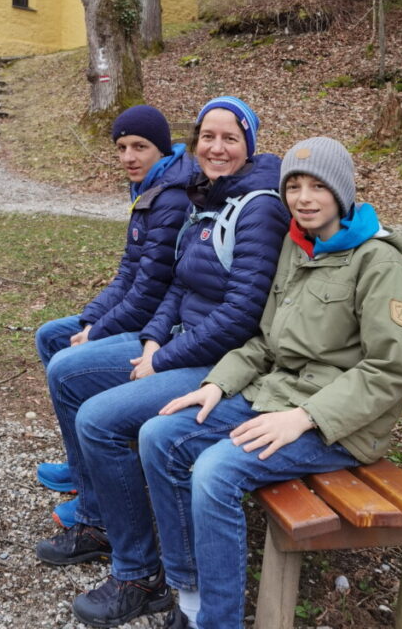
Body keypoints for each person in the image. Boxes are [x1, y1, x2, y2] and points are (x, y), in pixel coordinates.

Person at [70, 136, 402, 629]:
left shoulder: (379, 264)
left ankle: (218, 621)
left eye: (317, 186)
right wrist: (218, 383)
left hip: (338, 426)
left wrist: (305, 418)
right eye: (294, 186)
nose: (303, 197)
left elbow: (387, 372)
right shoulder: (299, 249)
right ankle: (189, 595)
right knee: (159, 435)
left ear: (342, 192)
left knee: (216, 471)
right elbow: (264, 341)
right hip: (275, 397)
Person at [35, 95, 289, 566]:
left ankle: (135, 567)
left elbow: (239, 317)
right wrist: (154, 337)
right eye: (207, 138)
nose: (216, 148)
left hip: (220, 365)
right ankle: (101, 518)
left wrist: (161, 358)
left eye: (229, 139)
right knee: (66, 370)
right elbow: (175, 282)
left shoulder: (258, 210)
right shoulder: (210, 198)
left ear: (248, 146)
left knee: (93, 412)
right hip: (178, 344)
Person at [34, 105, 198, 521]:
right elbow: (128, 272)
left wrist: (98, 330)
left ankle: (95, 503)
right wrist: (91, 319)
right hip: (142, 313)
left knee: (65, 367)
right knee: (52, 336)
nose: (128, 156)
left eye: (139, 146)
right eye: (121, 147)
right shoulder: (148, 189)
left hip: (159, 325)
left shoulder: (172, 198)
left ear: (161, 148)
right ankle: (81, 468)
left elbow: (148, 292)